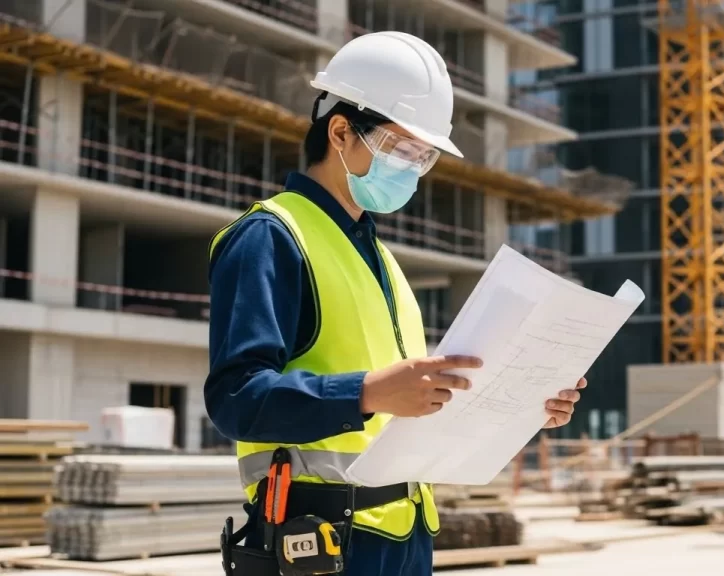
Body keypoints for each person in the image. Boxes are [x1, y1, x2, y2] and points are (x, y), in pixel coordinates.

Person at [205, 32, 586, 576]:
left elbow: (417, 401)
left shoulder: (381, 259)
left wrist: (526, 405)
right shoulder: (270, 236)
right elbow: (235, 398)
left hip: (403, 539)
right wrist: (365, 392)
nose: (411, 168)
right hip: (318, 545)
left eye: (423, 157)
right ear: (340, 131)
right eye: (401, 149)